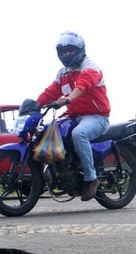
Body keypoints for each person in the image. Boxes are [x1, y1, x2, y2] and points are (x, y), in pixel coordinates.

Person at [36, 31, 111, 201]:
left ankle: (91, 178)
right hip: (74, 116)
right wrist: (34, 105)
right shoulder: (63, 72)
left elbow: (83, 86)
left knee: (79, 134)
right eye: (64, 52)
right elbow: (51, 91)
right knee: (50, 130)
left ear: (79, 50)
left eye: (70, 50)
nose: (67, 54)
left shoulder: (91, 67)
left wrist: (68, 98)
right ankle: (60, 171)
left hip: (97, 117)